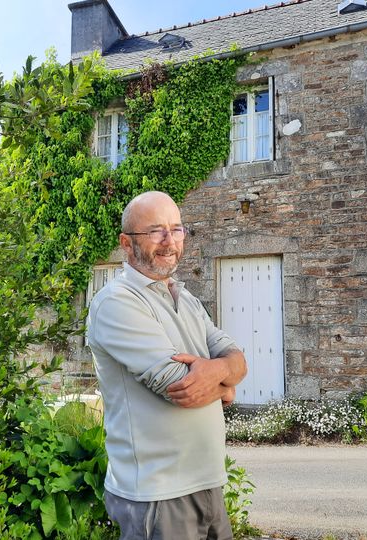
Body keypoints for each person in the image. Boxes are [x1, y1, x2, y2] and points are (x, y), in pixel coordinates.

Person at [87, 191, 247, 540]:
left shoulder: (184, 297)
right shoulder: (116, 303)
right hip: (155, 495)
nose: (169, 241)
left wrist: (219, 372)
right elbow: (180, 387)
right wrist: (225, 379)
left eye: (177, 230)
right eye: (156, 231)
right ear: (126, 244)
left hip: (208, 483)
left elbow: (237, 358)